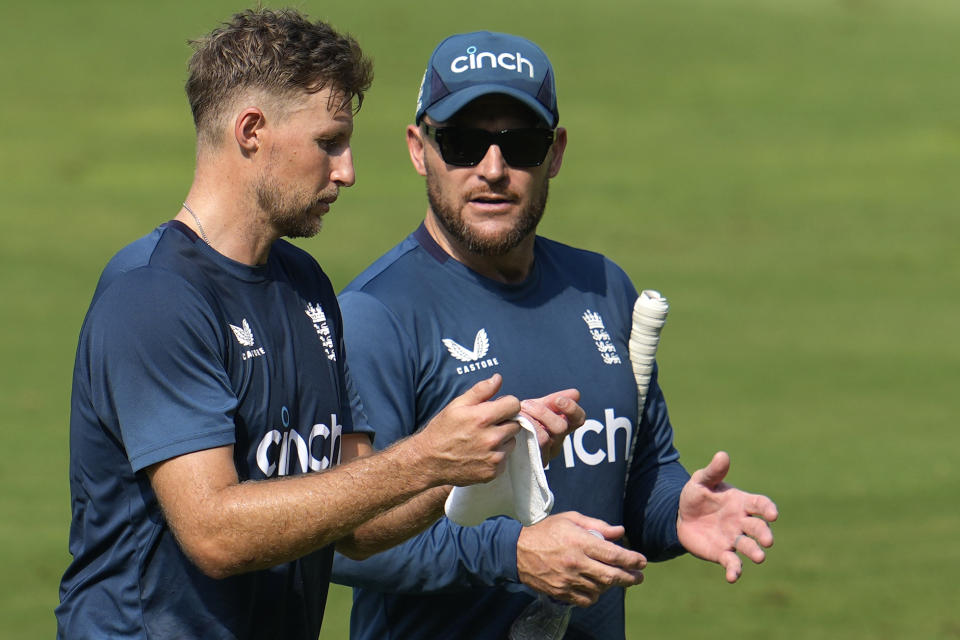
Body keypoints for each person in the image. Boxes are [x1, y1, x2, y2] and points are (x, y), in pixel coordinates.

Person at [55, 12, 588, 639]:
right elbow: (214, 533)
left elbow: (356, 526)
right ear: (251, 131)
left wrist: (481, 459)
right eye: (329, 142)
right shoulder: (154, 295)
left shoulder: (305, 286)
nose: (348, 171)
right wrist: (424, 456)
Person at [331, 31, 780, 639]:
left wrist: (677, 510)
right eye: (463, 143)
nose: (493, 170)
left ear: (557, 152)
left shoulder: (601, 287)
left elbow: (638, 472)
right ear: (419, 148)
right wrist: (513, 553)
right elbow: (344, 540)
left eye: (522, 145)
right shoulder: (375, 315)